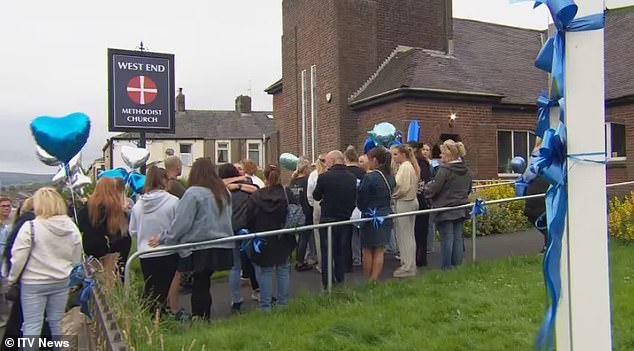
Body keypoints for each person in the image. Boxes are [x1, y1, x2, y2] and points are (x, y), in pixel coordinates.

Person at [150, 157, 234, 320]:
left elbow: (182, 223)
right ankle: (204, 319)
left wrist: (163, 239)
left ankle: (200, 319)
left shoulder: (193, 193)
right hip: (222, 244)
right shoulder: (224, 192)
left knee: (200, 284)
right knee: (204, 282)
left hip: (200, 246)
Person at [9, 187, 82, 340]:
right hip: (61, 280)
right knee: (56, 323)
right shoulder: (71, 227)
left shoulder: (31, 227)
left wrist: (11, 279)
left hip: (33, 282)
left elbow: (18, 257)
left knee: (32, 326)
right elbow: (77, 257)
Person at [129, 166, 182, 317]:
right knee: (162, 291)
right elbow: (178, 226)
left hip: (145, 252)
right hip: (167, 250)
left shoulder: (138, 205)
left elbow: (132, 231)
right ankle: (158, 321)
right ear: (164, 180)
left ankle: (152, 320)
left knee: (151, 290)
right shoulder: (173, 201)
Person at [246, 165, 297, 310]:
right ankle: (283, 305)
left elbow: (248, 217)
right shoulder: (287, 193)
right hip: (283, 237)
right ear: (279, 176)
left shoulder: (256, 196)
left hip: (264, 238)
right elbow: (295, 212)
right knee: (283, 270)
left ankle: (265, 307)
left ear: (265, 178)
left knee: (266, 272)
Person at [424, 140, 472, 270]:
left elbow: (435, 188)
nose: (440, 156)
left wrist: (426, 189)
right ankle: (458, 266)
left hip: (445, 208)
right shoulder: (466, 169)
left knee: (447, 238)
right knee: (457, 237)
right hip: (461, 207)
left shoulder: (444, 170)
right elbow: (469, 188)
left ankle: (447, 267)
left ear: (449, 155)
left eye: (442, 154)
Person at [218, 164, 259, 313]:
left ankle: (236, 300)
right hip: (246, 228)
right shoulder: (246, 187)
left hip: (229, 229)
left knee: (234, 267)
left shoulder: (220, 191)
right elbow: (256, 191)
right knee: (255, 261)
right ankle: (260, 292)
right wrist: (242, 181)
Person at [313, 151, 357, 289]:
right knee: (340, 252)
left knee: (327, 253)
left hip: (328, 219)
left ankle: (327, 284)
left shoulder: (324, 177)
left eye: (326, 161)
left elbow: (316, 196)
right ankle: (340, 280)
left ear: (332, 160)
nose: (325, 164)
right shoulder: (352, 177)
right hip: (344, 219)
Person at [77, 177, 131, 282]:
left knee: (96, 287)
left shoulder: (86, 210)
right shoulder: (118, 211)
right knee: (114, 287)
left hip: (93, 256)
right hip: (115, 257)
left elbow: (81, 226)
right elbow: (124, 237)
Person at [357, 147, 395, 280]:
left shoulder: (370, 177)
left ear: (374, 160)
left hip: (370, 216)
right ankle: (375, 278)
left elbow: (361, 198)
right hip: (385, 215)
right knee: (379, 249)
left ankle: (368, 279)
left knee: (367, 249)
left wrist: (361, 208)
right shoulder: (390, 177)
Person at [390, 145, 421, 278]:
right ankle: (409, 264)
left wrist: (393, 195)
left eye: (396, 154)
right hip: (410, 201)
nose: (393, 157)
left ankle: (408, 266)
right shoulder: (409, 166)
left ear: (403, 154)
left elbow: (402, 187)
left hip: (405, 202)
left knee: (405, 236)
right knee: (409, 235)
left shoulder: (405, 167)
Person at [163, 156, 188, 315]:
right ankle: (173, 308)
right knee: (175, 273)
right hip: (173, 233)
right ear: (177, 167)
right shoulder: (176, 187)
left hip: (159, 234)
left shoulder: (163, 184)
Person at [289, 158, 315, 272]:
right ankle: (300, 262)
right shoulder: (307, 181)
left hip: (294, 213)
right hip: (306, 212)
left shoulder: (292, 182)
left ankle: (299, 260)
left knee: (300, 238)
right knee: (304, 238)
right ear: (305, 168)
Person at [410, 142, 433, 267]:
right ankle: (420, 258)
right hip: (424, 200)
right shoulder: (424, 163)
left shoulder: (419, 164)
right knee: (421, 231)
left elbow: (422, 183)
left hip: (420, 200)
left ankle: (419, 258)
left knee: (418, 231)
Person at [344, 146, 365, 271]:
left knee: (350, 234)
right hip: (361, 204)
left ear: (346, 158)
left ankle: (353, 257)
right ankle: (361, 255)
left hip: (348, 205)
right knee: (361, 232)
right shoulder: (362, 172)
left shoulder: (345, 172)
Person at [307, 155, 327, 272]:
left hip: (317, 203)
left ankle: (321, 264)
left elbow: (310, 193)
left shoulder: (313, 175)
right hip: (329, 203)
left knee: (318, 235)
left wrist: (312, 204)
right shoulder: (328, 173)